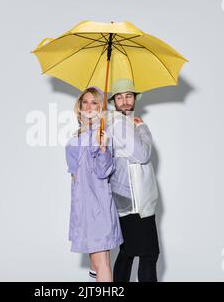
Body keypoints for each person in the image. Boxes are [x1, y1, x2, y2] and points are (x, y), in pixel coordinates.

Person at [65, 86, 123, 282]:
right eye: (85, 102)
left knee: (101, 262)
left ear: (100, 108)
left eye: (94, 102)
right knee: (94, 261)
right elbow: (75, 175)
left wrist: (104, 148)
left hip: (97, 206)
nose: (89, 106)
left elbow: (103, 171)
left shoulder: (102, 135)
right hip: (82, 207)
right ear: (80, 105)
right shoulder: (77, 136)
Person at [107, 78, 160, 282]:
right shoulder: (120, 124)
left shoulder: (126, 123)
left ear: (135, 98)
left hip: (131, 198)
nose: (125, 101)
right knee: (148, 254)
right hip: (133, 200)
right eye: (119, 97)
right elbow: (142, 155)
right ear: (113, 101)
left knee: (128, 252)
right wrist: (143, 129)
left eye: (128, 96)